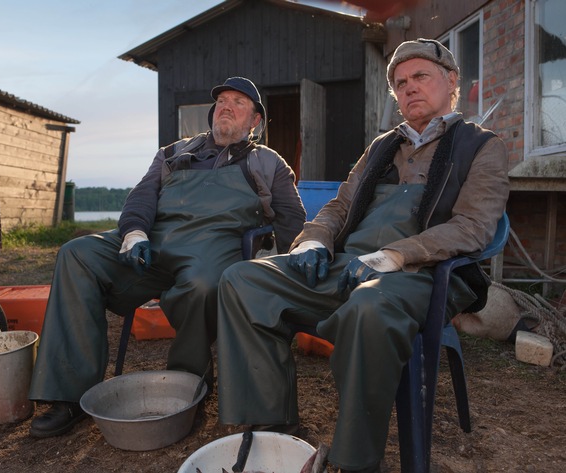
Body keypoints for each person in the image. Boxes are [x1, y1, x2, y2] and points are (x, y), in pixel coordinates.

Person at [215, 39, 510, 472]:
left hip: (419, 274)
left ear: (451, 82)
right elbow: (338, 206)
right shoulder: (381, 147)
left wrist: (395, 255)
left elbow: (473, 227)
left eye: (420, 77)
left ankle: (354, 461)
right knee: (241, 280)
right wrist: (314, 240)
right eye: (400, 82)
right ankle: (273, 429)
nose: (408, 88)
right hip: (348, 263)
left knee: (369, 307)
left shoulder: (481, 146)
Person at [27, 77, 306, 438]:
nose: (226, 105)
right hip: (153, 247)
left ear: (255, 121)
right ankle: (68, 394)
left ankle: (190, 384)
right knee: (76, 254)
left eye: (239, 102)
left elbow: (292, 220)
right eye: (222, 99)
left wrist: (292, 269)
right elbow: (141, 198)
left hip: (212, 247)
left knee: (203, 284)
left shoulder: (266, 162)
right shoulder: (173, 152)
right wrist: (134, 233)